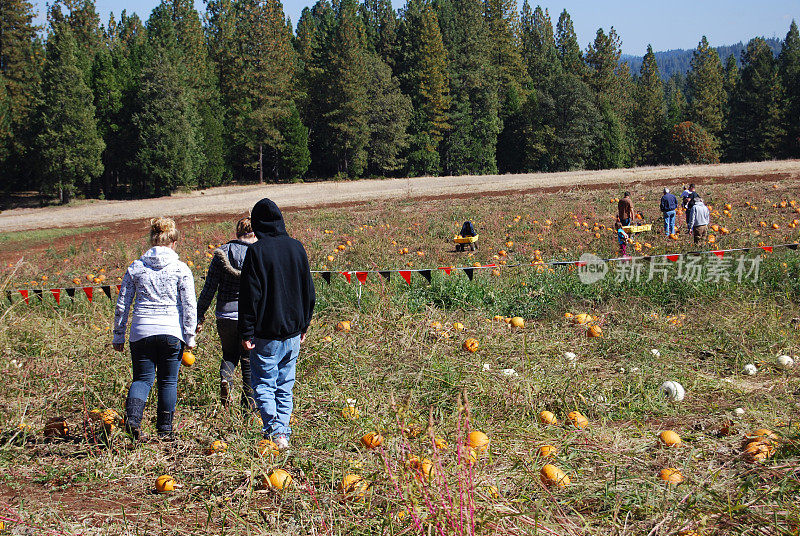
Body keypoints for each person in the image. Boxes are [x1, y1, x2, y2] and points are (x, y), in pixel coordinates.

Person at [239, 198, 315, 450]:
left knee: (263, 384)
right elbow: (308, 291)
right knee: (285, 386)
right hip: (293, 332)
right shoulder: (297, 248)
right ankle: (283, 432)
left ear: (258, 224)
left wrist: (246, 330)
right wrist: (304, 325)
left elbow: (251, 295)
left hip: (266, 333)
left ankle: (276, 433)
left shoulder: (257, 252)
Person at [113, 218, 196, 441]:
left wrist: (118, 334)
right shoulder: (181, 269)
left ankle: (133, 420)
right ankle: (165, 430)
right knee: (168, 381)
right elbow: (189, 305)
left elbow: (123, 302)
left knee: (141, 379)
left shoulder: (136, 267)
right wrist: (190, 336)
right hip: (171, 332)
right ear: (173, 242)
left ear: (151, 240)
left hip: (141, 330)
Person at [196, 217, 257, 409]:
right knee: (248, 359)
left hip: (224, 314)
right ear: (254, 233)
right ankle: (248, 405)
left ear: (237, 233)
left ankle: (226, 382)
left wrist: (199, 314)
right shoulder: (257, 253)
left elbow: (209, 288)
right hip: (249, 315)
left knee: (229, 353)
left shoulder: (221, 253)